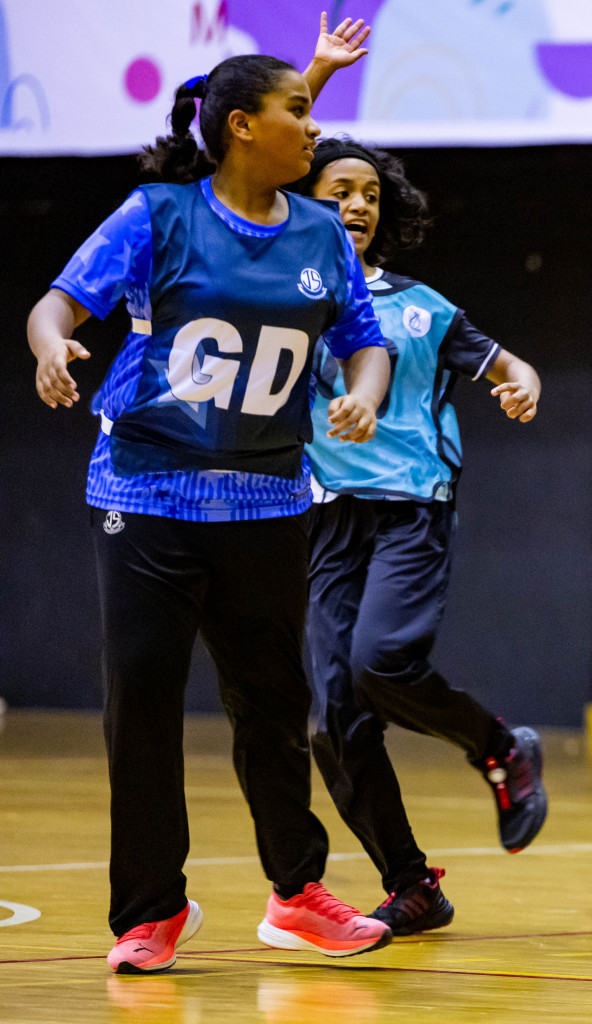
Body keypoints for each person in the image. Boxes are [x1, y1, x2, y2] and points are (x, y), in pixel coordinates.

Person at [25, 25, 394, 975]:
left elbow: (365, 337)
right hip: (147, 494)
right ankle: (149, 913)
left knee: (274, 704)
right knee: (141, 706)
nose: (314, 131)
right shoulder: (159, 214)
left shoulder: (317, 230)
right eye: (299, 111)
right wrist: (50, 344)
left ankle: (296, 894)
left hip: (269, 501)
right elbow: (58, 301)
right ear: (241, 127)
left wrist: (361, 394)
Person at [294, 136, 549, 937]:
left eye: (371, 192)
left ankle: (500, 748)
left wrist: (521, 388)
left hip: (411, 509)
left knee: (379, 663)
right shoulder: (283, 301)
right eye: (340, 189)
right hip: (327, 519)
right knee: (331, 715)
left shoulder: (420, 306)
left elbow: (514, 366)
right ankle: (411, 885)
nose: (359, 204)